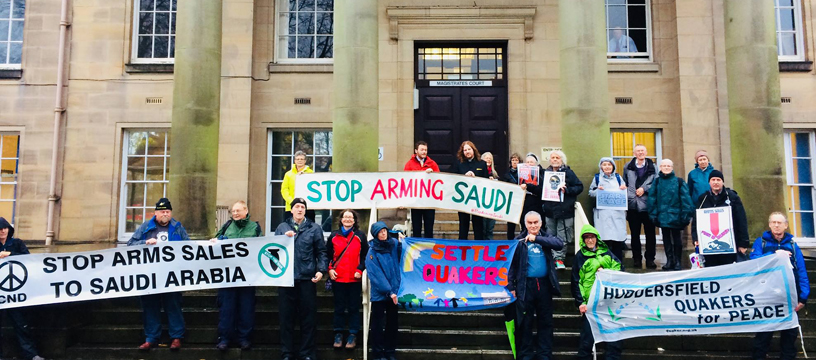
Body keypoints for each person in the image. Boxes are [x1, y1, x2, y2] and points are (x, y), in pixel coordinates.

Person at [127, 198, 188, 351]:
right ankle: (151, 338)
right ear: (156, 213)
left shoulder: (178, 227)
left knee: (173, 305)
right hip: (150, 275)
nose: (165, 214)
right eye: (162, 212)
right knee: (150, 305)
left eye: (167, 211)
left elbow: (189, 247)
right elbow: (130, 245)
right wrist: (145, 243)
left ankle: (176, 337)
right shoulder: (145, 227)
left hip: (172, 275)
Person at [274, 198, 328, 360]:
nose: (299, 209)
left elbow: (321, 252)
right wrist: (284, 239)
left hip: (306, 279)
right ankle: (287, 353)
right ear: (291, 210)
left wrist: (321, 270)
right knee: (286, 319)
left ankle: (307, 353)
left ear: (305, 210)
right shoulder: (282, 227)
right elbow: (272, 249)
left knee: (308, 319)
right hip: (286, 279)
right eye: (297, 207)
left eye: (302, 207)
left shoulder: (314, 228)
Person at [750, 212, 808, 360]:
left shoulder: (793, 246)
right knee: (764, 332)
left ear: (786, 225)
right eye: (773, 222)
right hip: (767, 295)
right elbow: (753, 261)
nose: (776, 225)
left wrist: (803, 297)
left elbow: (801, 270)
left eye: (779, 223)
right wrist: (775, 255)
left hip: (788, 295)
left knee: (789, 334)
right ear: (769, 225)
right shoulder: (760, 242)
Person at [507, 211, 564, 360]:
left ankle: (544, 354)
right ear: (525, 224)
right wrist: (511, 287)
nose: (533, 226)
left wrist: (537, 239)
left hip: (544, 285)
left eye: (535, 223)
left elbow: (559, 244)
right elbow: (511, 266)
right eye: (530, 223)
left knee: (545, 321)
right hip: (526, 286)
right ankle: (526, 354)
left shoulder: (546, 236)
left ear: (540, 223)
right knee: (525, 322)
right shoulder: (519, 240)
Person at [212, 200, 262, 351]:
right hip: (228, 275)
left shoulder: (254, 227)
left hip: (247, 275)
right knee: (227, 308)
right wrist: (218, 241)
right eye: (233, 211)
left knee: (246, 308)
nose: (235, 213)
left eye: (238, 211)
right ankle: (225, 338)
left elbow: (261, 246)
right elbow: (215, 242)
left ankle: (244, 338)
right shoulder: (227, 226)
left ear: (246, 211)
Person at [571, 224, 623, 360]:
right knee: (586, 341)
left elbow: (619, 270)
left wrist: (606, 272)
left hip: (609, 302)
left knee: (614, 339)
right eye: (586, 238)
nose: (589, 240)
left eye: (592, 237)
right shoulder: (579, 257)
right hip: (590, 304)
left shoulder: (607, 253)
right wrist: (580, 302)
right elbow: (576, 281)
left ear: (596, 238)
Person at [0, 218, 45, 360]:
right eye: (0, 229)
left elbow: (28, 260)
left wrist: (10, 255)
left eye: (4, 228)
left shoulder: (17, 243)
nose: (2, 231)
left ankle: (30, 354)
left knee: (21, 324)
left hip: (16, 292)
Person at [327, 209, 368, 350]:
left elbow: (365, 255)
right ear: (341, 219)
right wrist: (330, 269)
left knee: (353, 308)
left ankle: (353, 334)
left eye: (351, 217)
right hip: (338, 278)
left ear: (355, 220)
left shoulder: (360, 236)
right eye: (345, 217)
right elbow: (327, 255)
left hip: (354, 279)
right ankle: (338, 333)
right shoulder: (333, 236)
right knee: (338, 307)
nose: (348, 219)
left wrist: (360, 269)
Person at [691, 170, 749, 267]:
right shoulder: (703, 199)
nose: (716, 182)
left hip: (729, 245)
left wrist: (743, 243)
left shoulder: (732, 197)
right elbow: (696, 220)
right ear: (709, 182)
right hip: (709, 246)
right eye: (713, 180)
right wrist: (695, 238)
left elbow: (741, 220)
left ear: (722, 182)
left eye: (718, 180)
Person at [646, 159, 694, 271]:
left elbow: (686, 199)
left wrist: (685, 215)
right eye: (664, 166)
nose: (666, 168)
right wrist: (653, 214)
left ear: (672, 168)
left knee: (677, 240)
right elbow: (652, 199)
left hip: (676, 216)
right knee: (666, 239)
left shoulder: (679, 181)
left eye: (668, 166)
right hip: (662, 216)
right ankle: (669, 261)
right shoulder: (657, 182)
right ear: (661, 167)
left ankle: (677, 261)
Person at [541, 150, 583, 269]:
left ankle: (559, 259)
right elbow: (540, 189)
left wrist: (567, 190)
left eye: (557, 158)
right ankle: (551, 258)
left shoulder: (568, 173)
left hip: (565, 210)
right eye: (553, 157)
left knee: (563, 236)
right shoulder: (545, 173)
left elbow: (579, 187)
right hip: (550, 210)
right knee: (550, 235)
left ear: (562, 160)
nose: (555, 159)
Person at [366, 221, 403, 360]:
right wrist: (389, 291)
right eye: (380, 232)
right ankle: (377, 352)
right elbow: (375, 275)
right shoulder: (372, 251)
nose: (383, 233)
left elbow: (401, 254)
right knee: (377, 324)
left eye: (384, 231)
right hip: (380, 294)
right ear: (375, 234)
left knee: (392, 324)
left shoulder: (393, 244)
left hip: (394, 291)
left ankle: (389, 351)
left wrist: (402, 242)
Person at [588, 157, 628, 265]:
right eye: (604, 164)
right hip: (603, 214)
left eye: (609, 164)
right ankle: (605, 264)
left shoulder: (618, 178)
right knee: (604, 240)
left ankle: (618, 264)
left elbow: (625, 193)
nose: (607, 167)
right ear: (601, 166)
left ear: (613, 166)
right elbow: (590, 192)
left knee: (617, 241)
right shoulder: (597, 178)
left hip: (616, 213)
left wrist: (624, 189)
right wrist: (598, 191)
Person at [624, 144, 658, 269]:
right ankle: (636, 259)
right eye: (638, 151)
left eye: (642, 151)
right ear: (634, 153)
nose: (640, 153)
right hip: (633, 206)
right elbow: (625, 182)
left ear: (646, 152)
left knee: (650, 235)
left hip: (648, 205)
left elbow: (656, 183)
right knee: (634, 235)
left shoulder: (653, 167)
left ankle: (650, 259)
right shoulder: (628, 166)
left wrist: (645, 189)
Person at [403, 141, 440, 238]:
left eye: (426, 150)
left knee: (429, 227)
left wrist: (433, 175)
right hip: (416, 201)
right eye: (422, 150)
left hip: (429, 201)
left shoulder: (432, 164)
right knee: (416, 227)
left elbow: (439, 180)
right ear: (416, 151)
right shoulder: (409, 164)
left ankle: (428, 249)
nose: (424, 152)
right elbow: (406, 181)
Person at [454, 141, 488, 240]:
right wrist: (464, 177)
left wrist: (475, 177)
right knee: (463, 224)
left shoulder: (482, 164)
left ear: (473, 150)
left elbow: (485, 181)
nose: (467, 152)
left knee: (478, 225)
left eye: (469, 149)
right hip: (463, 199)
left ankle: (479, 245)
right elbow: (453, 178)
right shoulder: (458, 164)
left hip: (477, 199)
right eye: (465, 150)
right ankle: (462, 246)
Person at [281, 151, 316, 222]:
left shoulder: (311, 173)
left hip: (308, 207)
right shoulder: (288, 174)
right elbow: (284, 190)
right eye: (298, 159)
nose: (299, 161)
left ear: (305, 161)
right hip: (290, 207)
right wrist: (292, 202)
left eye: (301, 159)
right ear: (295, 161)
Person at [501, 153, 523, 239]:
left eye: (516, 160)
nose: (515, 162)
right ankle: (510, 241)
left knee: (522, 222)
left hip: (521, 200)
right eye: (513, 160)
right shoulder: (507, 174)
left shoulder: (523, 173)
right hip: (511, 201)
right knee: (510, 225)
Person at [482, 151, 500, 240]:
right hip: (482, 203)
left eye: (490, 158)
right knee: (483, 227)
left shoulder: (495, 173)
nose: (488, 160)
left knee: (490, 227)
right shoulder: (479, 172)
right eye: (486, 158)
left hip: (492, 204)